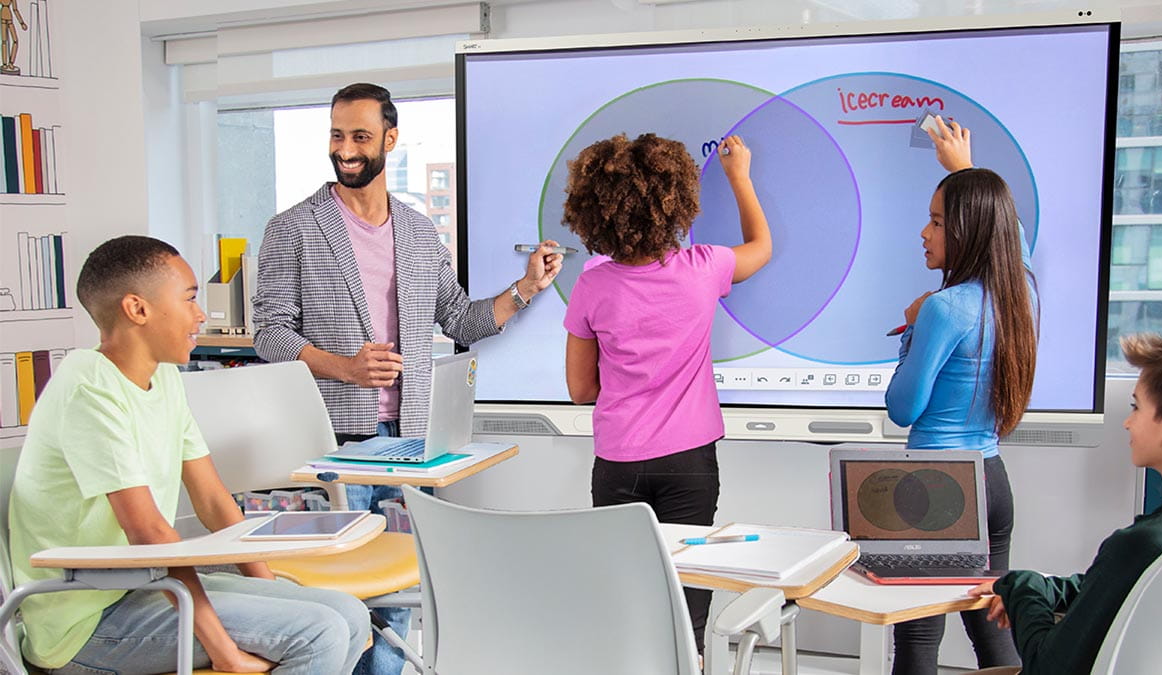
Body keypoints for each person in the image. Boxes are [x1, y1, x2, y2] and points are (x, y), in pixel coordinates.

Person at [253, 82, 563, 674]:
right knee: (338, 594)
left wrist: (527, 287)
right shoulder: (292, 228)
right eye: (338, 135)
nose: (346, 148)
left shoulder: (420, 232)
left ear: (389, 140)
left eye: (360, 136)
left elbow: (462, 319)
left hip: (413, 443)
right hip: (335, 440)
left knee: (396, 596)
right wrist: (345, 367)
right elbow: (268, 333)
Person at [8, 235, 370, 675]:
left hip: (142, 587)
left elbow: (214, 502)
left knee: (348, 615)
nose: (201, 315)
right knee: (317, 634)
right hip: (85, 622)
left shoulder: (164, 379)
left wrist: (269, 590)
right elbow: (150, 535)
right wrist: (224, 651)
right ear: (137, 309)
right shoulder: (89, 391)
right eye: (190, 299)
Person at [562, 132, 772, 653]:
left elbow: (580, 389)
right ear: (675, 202)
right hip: (689, 464)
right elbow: (762, 248)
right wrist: (739, 176)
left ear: (595, 212)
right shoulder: (705, 268)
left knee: (627, 602)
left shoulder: (592, 284)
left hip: (618, 462)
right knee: (687, 616)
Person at [884, 118, 1037, 674]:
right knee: (991, 629)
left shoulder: (944, 309)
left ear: (967, 232)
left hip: (934, 485)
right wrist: (965, 172)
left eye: (936, 221)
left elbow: (903, 409)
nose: (924, 233)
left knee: (919, 641)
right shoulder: (1021, 296)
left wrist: (911, 331)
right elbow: (1009, 236)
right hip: (992, 480)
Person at [966, 334, 1162, 674]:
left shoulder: (1139, 545)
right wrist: (1044, 586)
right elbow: (1116, 590)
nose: (1128, 421)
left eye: (1136, 407)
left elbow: (1047, 666)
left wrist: (1021, 589)